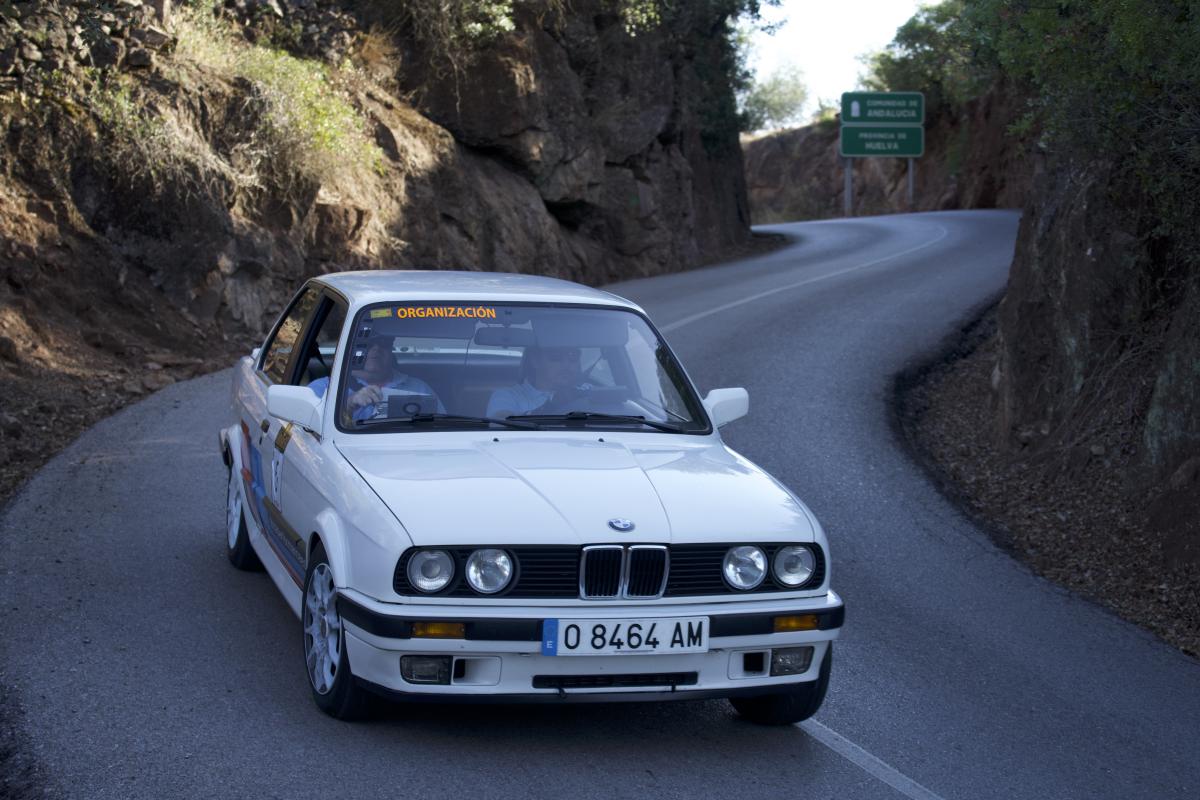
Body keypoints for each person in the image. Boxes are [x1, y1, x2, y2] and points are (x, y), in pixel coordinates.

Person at [309, 337, 444, 422]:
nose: (376, 348)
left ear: (391, 350)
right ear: (351, 348)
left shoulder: (418, 388)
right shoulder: (323, 388)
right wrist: (349, 404)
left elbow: (442, 428)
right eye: (367, 343)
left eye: (383, 342)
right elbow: (308, 437)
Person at [486, 345, 590, 418]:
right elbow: (499, 425)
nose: (566, 365)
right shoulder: (507, 396)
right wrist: (550, 407)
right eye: (556, 357)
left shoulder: (589, 392)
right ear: (535, 361)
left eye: (573, 357)